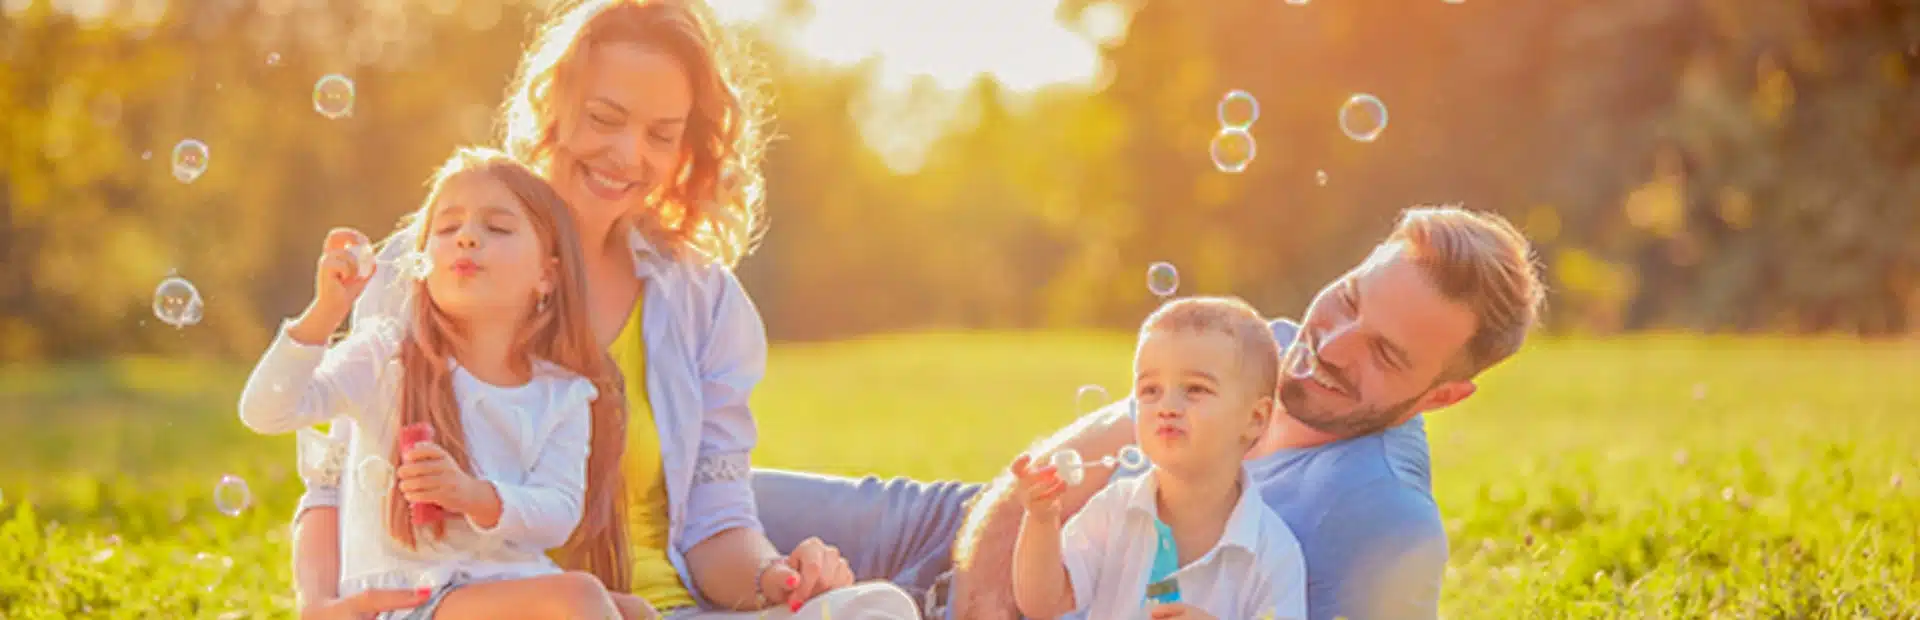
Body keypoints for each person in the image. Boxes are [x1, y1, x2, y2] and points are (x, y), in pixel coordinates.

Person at [288, 1, 919, 618]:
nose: (627, 154)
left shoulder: (702, 300)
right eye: (604, 117)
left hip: (661, 610)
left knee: (878, 609)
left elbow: (715, 523)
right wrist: (322, 607)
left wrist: (774, 578)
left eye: (660, 135)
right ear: (552, 109)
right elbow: (336, 479)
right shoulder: (434, 264)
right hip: (487, 604)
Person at [749, 205, 1545, 619]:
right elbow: (1058, 459)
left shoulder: (1386, 522)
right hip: (943, 531)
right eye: (1346, 300)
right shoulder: (1255, 349)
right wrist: (979, 601)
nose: (1331, 343)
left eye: (1387, 355)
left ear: (1442, 397)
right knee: (672, 495)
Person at [243, 148, 636, 619]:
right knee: (581, 600)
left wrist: (474, 496)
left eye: (497, 228)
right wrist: (326, 312)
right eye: (448, 228)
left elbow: (557, 513)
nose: (467, 238)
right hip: (415, 599)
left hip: (505, 585)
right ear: (422, 263)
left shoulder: (563, 392)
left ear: (546, 275)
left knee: (634, 612)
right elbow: (266, 411)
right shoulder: (384, 356)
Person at [1009, 297, 1306, 620]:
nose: (1167, 406)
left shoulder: (1272, 554)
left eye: (1195, 389)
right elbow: (1043, 604)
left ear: (1256, 418)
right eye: (1150, 390)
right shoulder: (1113, 511)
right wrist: (1040, 522)